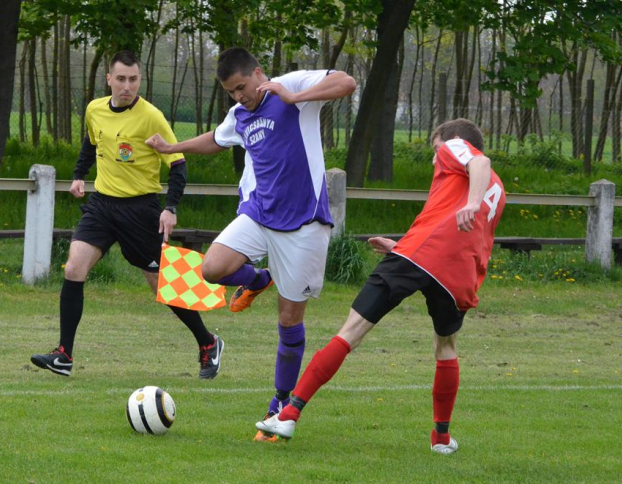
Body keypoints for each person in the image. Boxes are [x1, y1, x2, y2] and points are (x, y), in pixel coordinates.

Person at [255, 118, 506, 454]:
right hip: (459, 273)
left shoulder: (456, 149)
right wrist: (401, 247)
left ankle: (288, 414)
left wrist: (470, 204)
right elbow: (451, 225)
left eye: (435, 150)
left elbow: (479, 161)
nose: (436, 159)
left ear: (454, 141)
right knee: (446, 347)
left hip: (422, 255)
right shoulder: (499, 188)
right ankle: (442, 439)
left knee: (351, 331)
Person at [146, 47, 356, 441]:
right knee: (211, 268)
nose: (239, 96)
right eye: (231, 92)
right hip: (260, 214)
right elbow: (218, 139)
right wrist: (172, 148)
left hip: (304, 224)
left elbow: (346, 82)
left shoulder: (289, 87)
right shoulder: (240, 114)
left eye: (242, 87)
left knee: (289, 321)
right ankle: (258, 280)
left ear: (258, 73)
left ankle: (279, 405)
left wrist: (296, 97)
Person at [31, 50, 224, 380]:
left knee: (161, 285)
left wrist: (170, 207)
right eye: (120, 79)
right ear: (109, 79)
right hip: (102, 206)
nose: (127, 86)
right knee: (75, 266)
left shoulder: (152, 117)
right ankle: (63, 355)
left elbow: (178, 165)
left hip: (141, 210)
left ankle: (208, 343)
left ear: (139, 80)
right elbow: (91, 143)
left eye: (133, 79)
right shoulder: (94, 110)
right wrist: (79, 174)